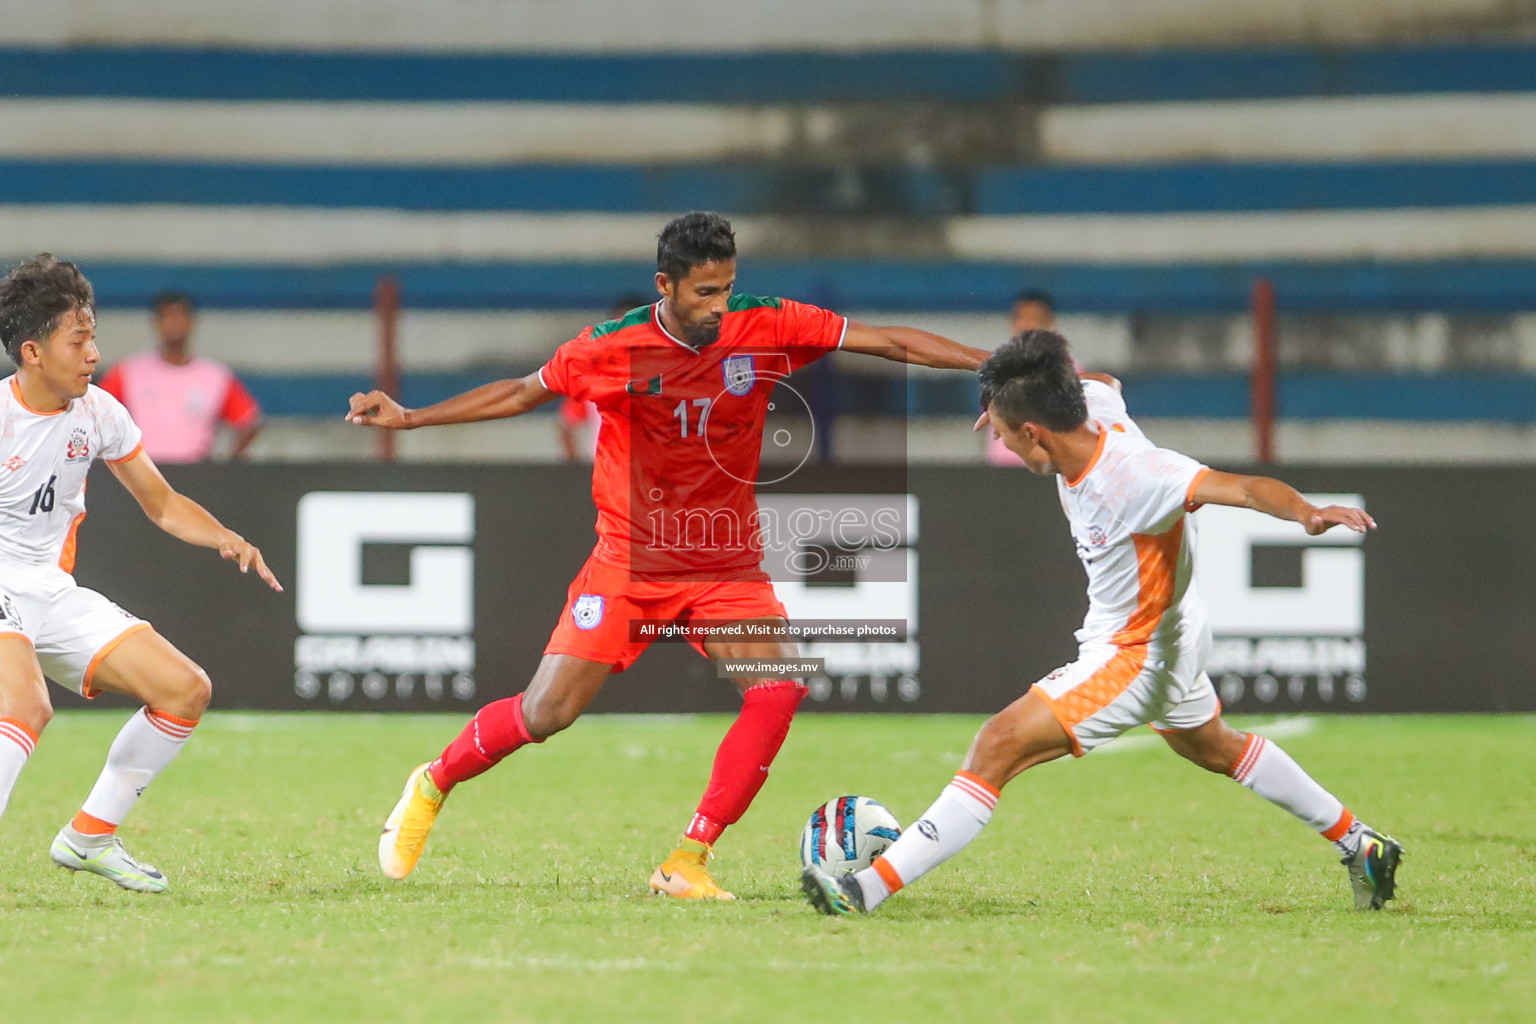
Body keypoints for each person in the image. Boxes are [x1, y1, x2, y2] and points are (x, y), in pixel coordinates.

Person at [347, 211, 989, 899]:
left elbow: (885, 341)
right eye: (705, 293)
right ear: (666, 286)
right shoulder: (611, 347)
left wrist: (995, 368)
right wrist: (412, 418)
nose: (720, 306)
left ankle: (687, 859)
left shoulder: (766, 322)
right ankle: (436, 779)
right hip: (631, 560)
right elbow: (521, 392)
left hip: (725, 562)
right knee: (546, 713)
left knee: (778, 690)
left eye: (728, 288)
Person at [803, 329, 1403, 916]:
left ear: (1034, 433)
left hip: (1137, 651)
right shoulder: (1090, 407)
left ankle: (865, 890)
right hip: (1175, 628)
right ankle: (1362, 844)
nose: (1005, 445)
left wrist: (1307, 513)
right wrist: (1004, 398)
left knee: (997, 744)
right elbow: (1101, 380)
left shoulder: (1138, 475)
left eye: (1009, 435)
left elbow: (1242, 488)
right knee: (1215, 747)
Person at [0, 255, 282, 892]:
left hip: (50, 588)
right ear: (33, 351)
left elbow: (161, 503)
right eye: (79, 340)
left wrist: (227, 537)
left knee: (185, 689)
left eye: (93, 337)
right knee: (25, 704)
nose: (94, 353)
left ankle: (91, 836)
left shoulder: (99, 413)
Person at [97, 291, 262, 463]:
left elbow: (248, 422)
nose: (173, 324)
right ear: (156, 323)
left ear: (191, 322)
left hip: (194, 472)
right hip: (143, 471)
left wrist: (227, 466)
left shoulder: (215, 376)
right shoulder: (129, 371)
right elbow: (94, 413)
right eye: (167, 317)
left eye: (179, 317)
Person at [557, 294, 651, 462]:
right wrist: (576, 468)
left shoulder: (668, 373)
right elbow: (567, 425)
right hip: (606, 473)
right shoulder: (592, 374)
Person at [987, 289, 1056, 466]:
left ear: (1049, 323)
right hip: (1004, 465)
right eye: (1020, 318)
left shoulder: (1071, 371)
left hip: (1046, 465)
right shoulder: (997, 368)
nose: (1025, 326)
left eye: (1034, 319)